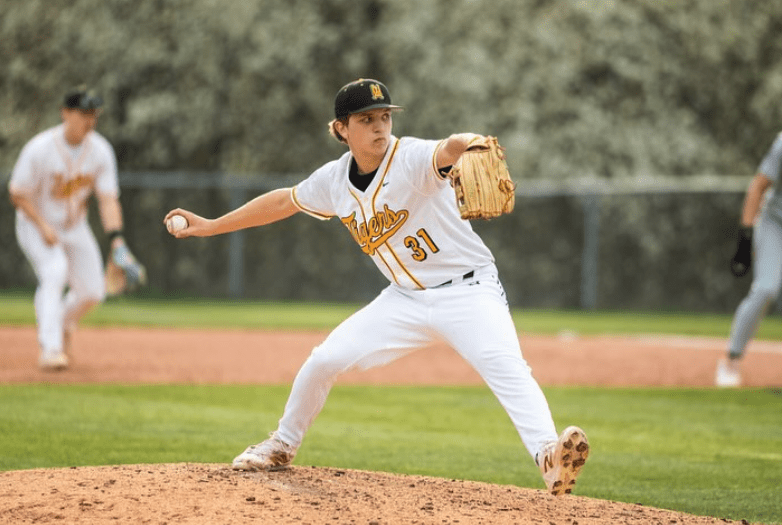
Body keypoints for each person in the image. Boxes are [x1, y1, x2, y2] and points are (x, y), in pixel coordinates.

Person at [165, 79, 590, 495]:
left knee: (506, 367)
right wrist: (212, 226)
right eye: (366, 119)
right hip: (403, 299)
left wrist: (470, 141)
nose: (379, 126)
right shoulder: (333, 181)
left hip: (468, 291)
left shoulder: (410, 159)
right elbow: (282, 201)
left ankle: (548, 457)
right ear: (340, 129)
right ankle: (281, 444)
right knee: (323, 360)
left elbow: (448, 147)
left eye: (384, 116)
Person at [9, 86, 141, 370]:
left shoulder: (101, 151)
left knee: (94, 291)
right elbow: (18, 193)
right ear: (65, 113)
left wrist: (116, 240)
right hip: (36, 224)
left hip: (74, 226)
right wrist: (43, 226)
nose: (90, 119)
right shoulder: (40, 148)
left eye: (93, 113)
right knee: (54, 271)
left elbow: (108, 200)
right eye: (84, 113)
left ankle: (65, 322)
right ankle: (51, 348)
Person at [719, 131, 782, 387]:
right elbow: (758, 185)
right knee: (766, 288)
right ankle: (731, 359)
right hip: (775, 224)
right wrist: (745, 238)